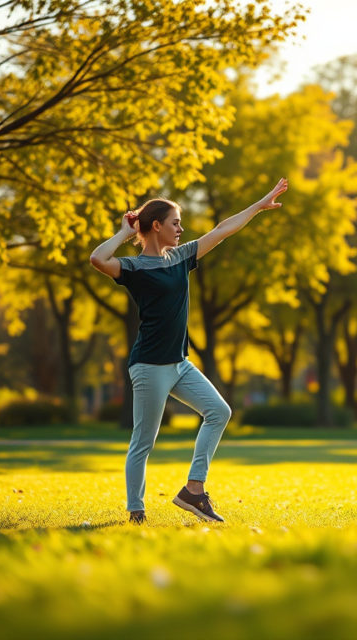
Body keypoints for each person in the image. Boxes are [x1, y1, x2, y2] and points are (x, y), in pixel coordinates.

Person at [90, 178, 288, 525]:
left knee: (219, 411)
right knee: (143, 442)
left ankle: (193, 490)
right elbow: (97, 258)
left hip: (179, 364)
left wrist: (259, 205)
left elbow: (222, 230)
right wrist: (125, 232)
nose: (181, 229)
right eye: (175, 223)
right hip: (149, 366)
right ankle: (136, 511)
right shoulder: (133, 268)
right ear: (156, 226)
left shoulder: (181, 257)